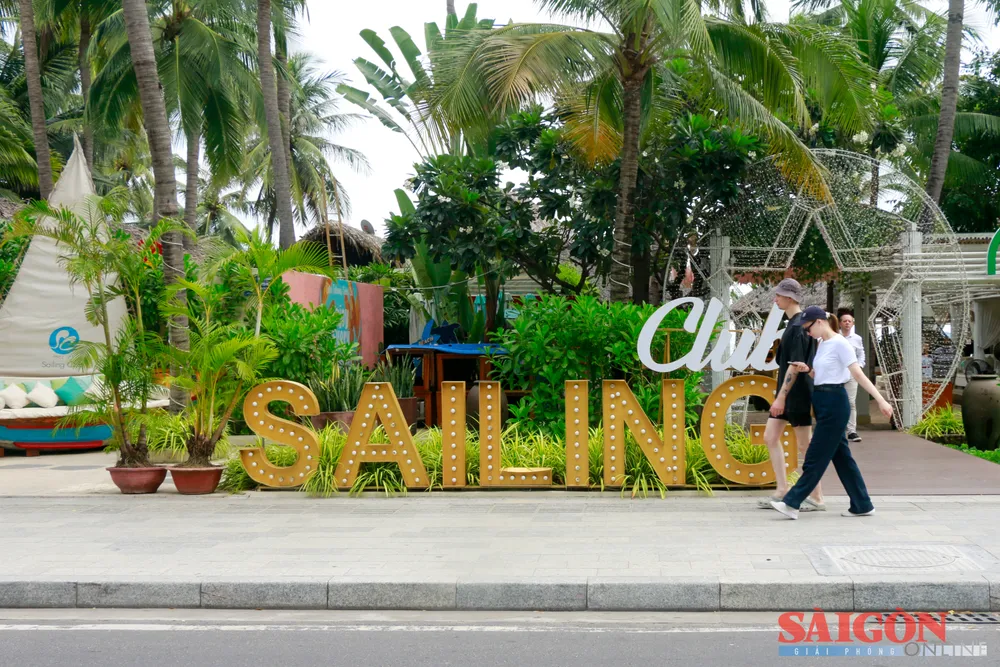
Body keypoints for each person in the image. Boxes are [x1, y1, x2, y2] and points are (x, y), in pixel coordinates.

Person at [769, 306, 894, 520]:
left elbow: (858, 374)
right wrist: (807, 370)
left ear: (819, 322)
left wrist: (881, 400)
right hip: (822, 400)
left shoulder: (841, 343)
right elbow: (822, 373)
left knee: (815, 456)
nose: (807, 332)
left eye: (808, 328)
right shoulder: (822, 344)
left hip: (835, 402)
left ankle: (792, 502)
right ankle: (862, 504)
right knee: (842, 458)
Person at [760, 279, 824, 511]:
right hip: (789, 392)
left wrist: (781, 397)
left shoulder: (798, 327)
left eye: (779, 295)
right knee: (770, 437)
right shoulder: (795, 324)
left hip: (797, 393)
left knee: (805, 445)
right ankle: (782, 489)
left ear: (789, 298)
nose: (775, 299)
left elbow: (795, 365)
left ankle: (817, 497)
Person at [838, 310, 865, 442]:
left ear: (853, 323)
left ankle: (852, 431)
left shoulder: (857, 338)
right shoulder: (835, 337)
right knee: (837, 401)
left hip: (851, 374)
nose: (847, 323)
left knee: (851, 402)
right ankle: (838, 429)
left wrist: (859, 366)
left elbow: (861, 353)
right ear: (840, 323)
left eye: (849, 321)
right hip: (837, 374)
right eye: (845, 321)